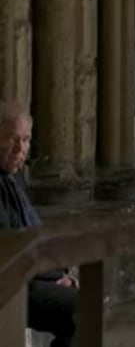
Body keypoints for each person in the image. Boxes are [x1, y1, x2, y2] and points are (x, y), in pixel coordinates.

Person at [0, 102, 78, 346]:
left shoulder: (15, 177)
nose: (19, 149)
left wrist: (63, 273)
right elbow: (10, 249)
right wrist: (52, 276)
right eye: (11, 139)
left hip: (32, 278)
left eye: (25, 140)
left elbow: (33, 233)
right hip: (14, 285)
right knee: (82, 309)